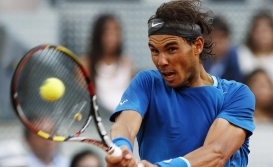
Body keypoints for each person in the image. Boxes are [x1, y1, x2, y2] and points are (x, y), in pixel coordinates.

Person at [105, 0, 255, 167]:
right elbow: (124, 125)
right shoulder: (147, 83)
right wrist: (122, 147)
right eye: (154, 51)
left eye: (171, 49)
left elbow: (216, 153)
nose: (161, 61)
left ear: (197, 45)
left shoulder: (236, 94)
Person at [80, 14, 135, 113]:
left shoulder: (127, 63)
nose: (112, 37)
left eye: (116, 32)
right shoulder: (86, 63)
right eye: (107, 32)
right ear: (98, 35)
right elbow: (82, 98)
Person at [236, 10, 273, 82]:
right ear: (252, 33)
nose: (262, 35)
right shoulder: (240, 53)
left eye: (265, 30)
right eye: (258, 30)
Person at [203, 16, 243, 82]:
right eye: (213, 38)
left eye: (221, 39)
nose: (217, 44)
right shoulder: (198, 59)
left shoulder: (233, 58)